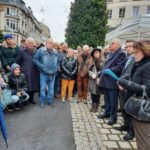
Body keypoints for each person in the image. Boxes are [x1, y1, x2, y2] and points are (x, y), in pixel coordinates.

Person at [118, 40, 150, 150]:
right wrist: (125, 81)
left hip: (144, 108)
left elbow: (147, 89)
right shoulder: (139, 63)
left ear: (145, 52)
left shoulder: (148, 65)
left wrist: (125, 83)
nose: (133, 54)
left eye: (136, 52)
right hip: (135, 101)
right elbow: (133, 77)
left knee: (144, 142)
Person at [98, 38, 126, 125]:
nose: (110, 45)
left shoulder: (121, 53)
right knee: (106, 99)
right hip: (106, 80)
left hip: (112, 81)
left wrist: (108, 70)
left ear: (118, 44)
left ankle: (113, 118)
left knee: (113, 101)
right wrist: (102, 71)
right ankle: (107, 113)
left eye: (112, 43)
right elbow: (105, 65)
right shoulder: (111, 53)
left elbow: (119, 67)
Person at [114, 40, 135, 140]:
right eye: (126, 47)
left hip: (130, 87)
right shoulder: (128, 58)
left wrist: (122, 81)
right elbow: (124, 71)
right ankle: (126, 125)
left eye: (130, 46)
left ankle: (132, 131)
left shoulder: (137, 59)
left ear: (135, 47)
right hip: (123, 85)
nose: (127, 48)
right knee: (124, 108)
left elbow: (130, 73)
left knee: (130, 110)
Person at [33, 38, 59, 108]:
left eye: (52, 43)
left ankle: (50, 101)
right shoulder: (41, 50)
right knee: (43, 88)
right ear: (46, 43)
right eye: (50, 43)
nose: (51, 45)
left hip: (53, 74)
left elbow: (58, 61)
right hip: (44, 73)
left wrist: (57, 68)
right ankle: (42, 101)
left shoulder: (56, 51)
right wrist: (41, 65)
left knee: (51, 88)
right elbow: (35, 59)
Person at [16, 38, 39, 104]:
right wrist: (19, 71)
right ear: (26, 44)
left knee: (33, 85)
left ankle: (31, 99)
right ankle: (26, 99)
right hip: (25, 73)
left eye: (32, 43)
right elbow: (17, 62)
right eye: (30, 43)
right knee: (26, 86)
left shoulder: (36, 52)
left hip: (34, 71)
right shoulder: (22, 52)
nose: (32, 45)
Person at [88, 48, 103, 113]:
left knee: (97, 94)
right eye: (94, 53)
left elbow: (103, 70)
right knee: (92, 93)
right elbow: (88, 70)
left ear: (100, 53)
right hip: (92, 80)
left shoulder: (103, 61)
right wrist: (91, 74)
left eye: (97, 53)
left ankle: (96, 106)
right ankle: (93, 104)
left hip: (98, 79)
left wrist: (96, 74)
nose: (96, 54)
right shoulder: (92, 61)